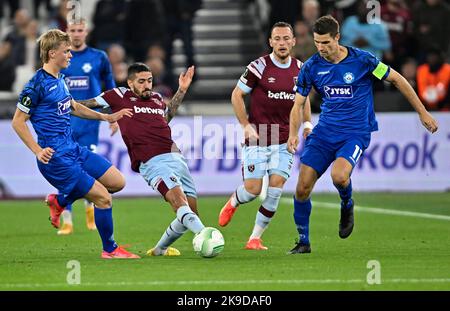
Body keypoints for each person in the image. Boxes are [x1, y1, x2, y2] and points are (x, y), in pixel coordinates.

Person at [287, 15, 438, 254]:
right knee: (302, 187)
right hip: (324, 132)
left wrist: (423, 113)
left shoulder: (363, 60)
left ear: (337, 37)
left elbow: (397, 79)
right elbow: (298, 103)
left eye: (326, 42)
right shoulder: (311, 67)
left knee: (339, 177)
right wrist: (292, 133)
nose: (321, 48)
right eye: (317, 42)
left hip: (355, 133)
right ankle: (303, 242)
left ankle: (347, 203)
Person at [11, 29, 139, 259]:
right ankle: (109, 249)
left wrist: (106, 116)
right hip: (56, 158)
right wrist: (37, 150)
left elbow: (74, 107)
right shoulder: (36, 85)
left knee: (117, 182)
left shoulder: (60, 79)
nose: (71, 55)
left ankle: (59, 200)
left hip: (73, 149)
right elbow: (18, 122)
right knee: (103, 198)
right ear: (52, 54)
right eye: (66, 51)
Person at [79, 63, 208, 257]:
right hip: (151, 160)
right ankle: (206, 234)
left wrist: (181, 90)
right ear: (130, 82)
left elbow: (166, 118)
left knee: (191, 213)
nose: (147, 85)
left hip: (176, 157)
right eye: (141, 81)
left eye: (149, 81)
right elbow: (86, 104)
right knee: (178, 202)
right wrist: (60, 103)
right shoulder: (118, 95)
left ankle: (159, 250)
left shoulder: (156, 98)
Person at [218, 22, 311, 250]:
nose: (281, 43)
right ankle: (233, 202)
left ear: (293, 41)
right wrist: (245, 125)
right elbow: (237, 95)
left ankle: (254, 238)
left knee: (276, 188)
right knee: (252, 190)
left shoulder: (301, 69)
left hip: (284, 140)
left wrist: (306, 125)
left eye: (286, 38)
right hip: (258, 136)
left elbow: (304, 100)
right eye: (277, 39)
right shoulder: (258, 67)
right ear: (270, 42)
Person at [55, 18, 116, 235]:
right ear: (67, 32)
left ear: (86, 32)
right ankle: (67, 221)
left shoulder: (98, 57)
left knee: (88, 170)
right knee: (66, 170)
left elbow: (110, 87)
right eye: (73, 30)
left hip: (90, 124)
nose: (77, 34)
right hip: (65, 125)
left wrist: (113, 116)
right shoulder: (62, 58)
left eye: (80, 30)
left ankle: (91, 212)